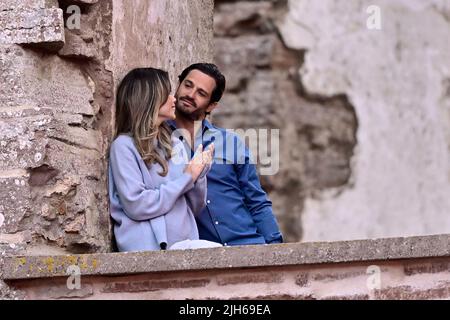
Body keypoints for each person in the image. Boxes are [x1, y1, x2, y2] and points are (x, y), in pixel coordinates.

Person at [168, 63, 283, 246]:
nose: (190, 95)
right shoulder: (158, 140)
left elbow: (256, 200)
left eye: (201, 93)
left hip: (249, 244)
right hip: (202, 253)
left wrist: (275, 247)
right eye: (188, 85)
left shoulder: (231, 142)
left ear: (211, 105)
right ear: (179, 84)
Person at [108, 67, 221, 252]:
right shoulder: (123, 147)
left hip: (185, 243)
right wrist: (187, 177)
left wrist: (199, 173)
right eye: (167, 94)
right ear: (151, 100)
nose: (173, 98)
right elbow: (137, 205)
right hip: (148, 248)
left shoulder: (174, 143)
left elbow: (193, 206)